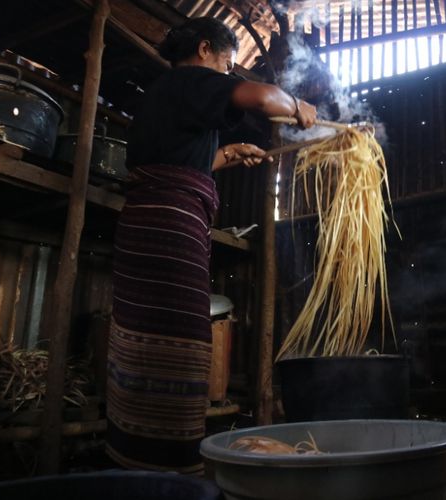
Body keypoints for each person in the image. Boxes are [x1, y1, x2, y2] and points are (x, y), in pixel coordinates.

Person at [105, 16, 317, 475]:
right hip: (169, 230)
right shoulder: (191, 79)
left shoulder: (166, 95)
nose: (227, 74)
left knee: (143, 336)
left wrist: (229, 153)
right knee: (178, 339)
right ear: (205, 50)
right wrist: (297, 103)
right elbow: (262, 98)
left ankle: (133, 459)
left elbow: (180, 161)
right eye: (226, 63)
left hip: (144, 228)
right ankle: (169, 471)